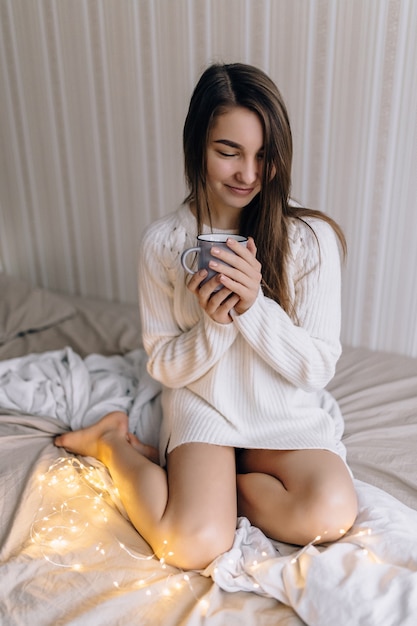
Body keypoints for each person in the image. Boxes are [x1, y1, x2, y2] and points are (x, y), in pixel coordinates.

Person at [55, 62, 358, 571]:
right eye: (228, 152)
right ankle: (111, 442)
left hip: (280, 410)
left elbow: (317, 368)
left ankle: (211, 487)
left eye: (264, 156)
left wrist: (253, 307)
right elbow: (166, 367)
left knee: (329, 514)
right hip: (205, 409)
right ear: (198, 145)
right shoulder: (165, 243)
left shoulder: (310, 240)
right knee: (192, 545)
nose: (248, 174)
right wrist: (214, 326)